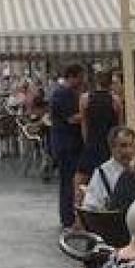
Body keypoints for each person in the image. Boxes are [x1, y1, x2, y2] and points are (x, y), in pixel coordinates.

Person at [77, 69, 123, 210]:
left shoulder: (85, 99)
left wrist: (87, 142)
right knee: (110, 179)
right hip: (108, 145)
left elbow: (83, 125)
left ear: (95, 82)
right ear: (110, 83)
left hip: (92, 143)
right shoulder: (115, 100)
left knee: (80, 180)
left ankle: (80, 214)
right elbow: (119, 126)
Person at [50, 64, 86, 229]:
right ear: (72, 76)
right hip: (67, 145)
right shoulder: (63, 94)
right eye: (80, 77)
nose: (82, 80)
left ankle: (68, 216)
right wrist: (88, 112)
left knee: (68, 181)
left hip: (65, 144)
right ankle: (68, 218)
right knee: (68, 181)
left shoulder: (63, 92)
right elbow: (71, 118)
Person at [81, 126, 135, 212]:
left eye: (131, 145)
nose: (129, 151)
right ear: (112, 148)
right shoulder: (102, 173)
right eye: (123, 146)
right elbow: (90, 207)